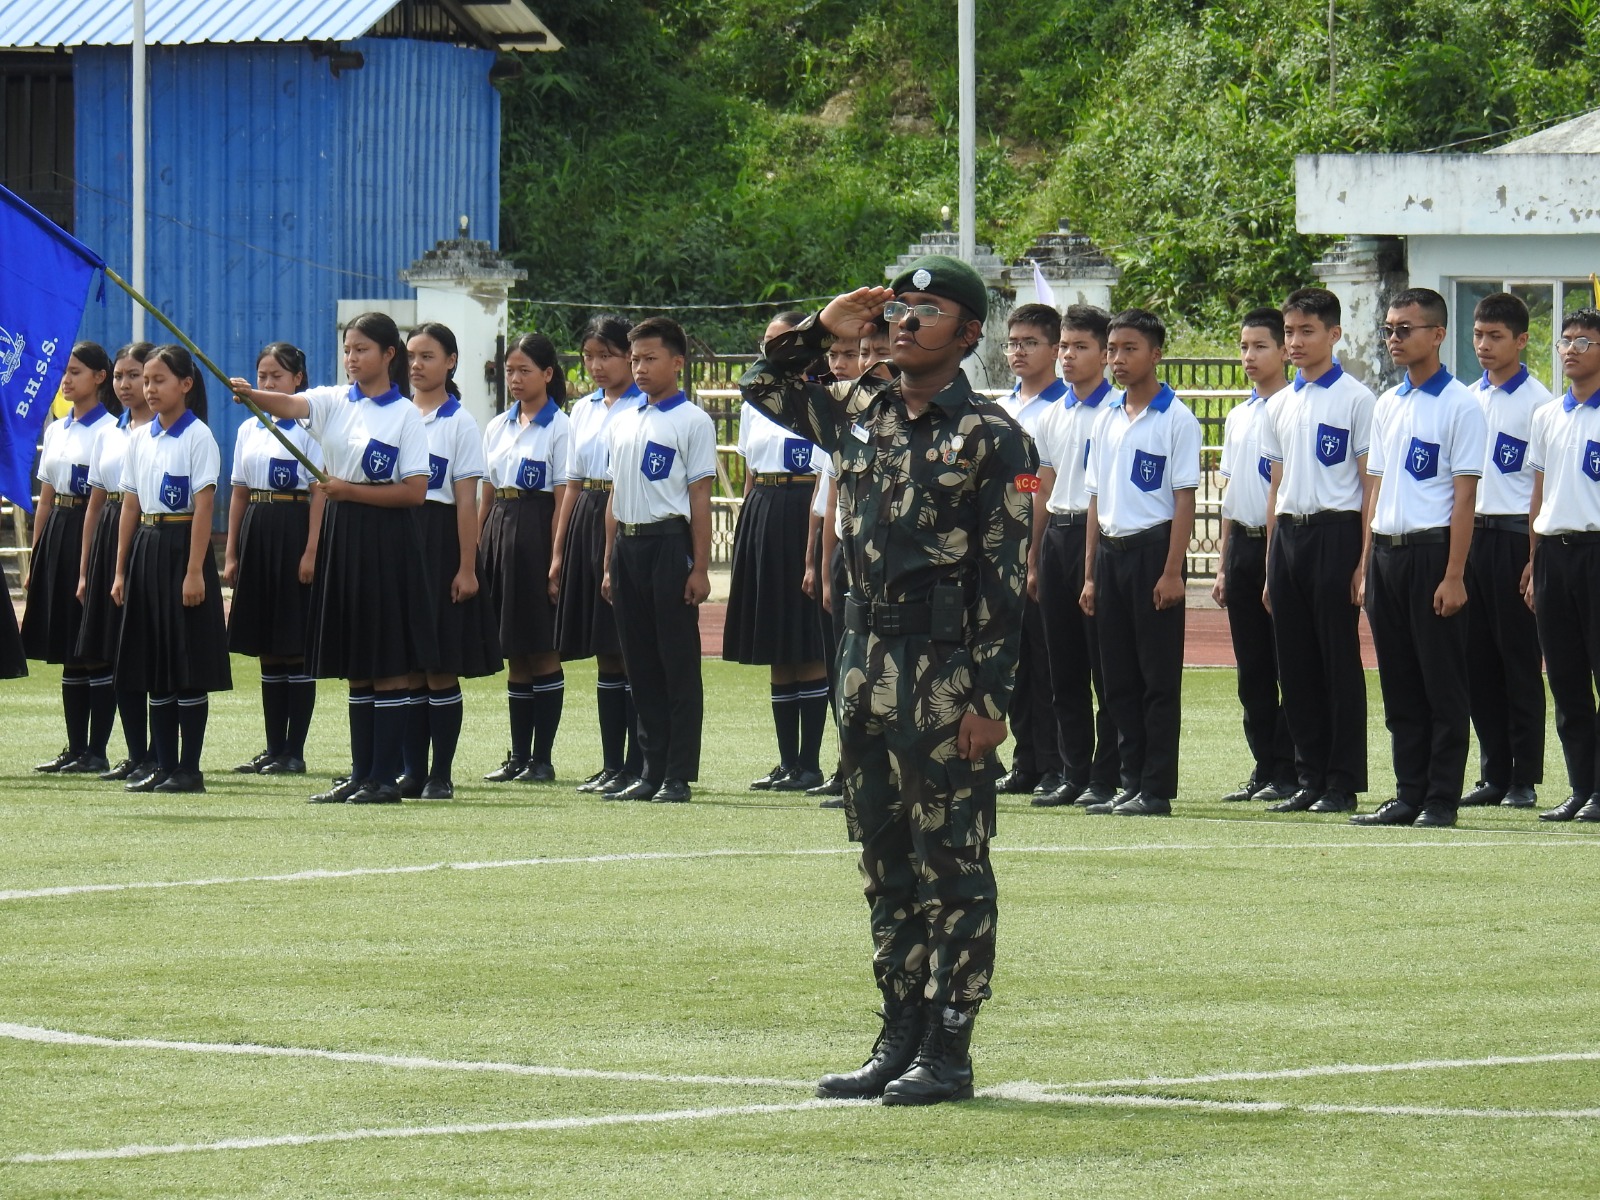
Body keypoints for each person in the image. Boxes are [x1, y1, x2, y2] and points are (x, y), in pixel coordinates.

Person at [742, 254, 1035, 1106]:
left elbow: (1007, 579)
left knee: (953, 863)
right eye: (898, 309)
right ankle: (896, 1032)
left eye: (927, 310)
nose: (903, 322)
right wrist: (822, 328)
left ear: (969, 334)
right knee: (883, 859)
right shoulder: (859, 410)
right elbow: (766, 388)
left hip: (944, 676)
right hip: (864, 666)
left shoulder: (995, 437)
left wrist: (990, 700)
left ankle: (949, 1047)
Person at [229, 311, 436, 805]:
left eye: (362, 349)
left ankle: (385, 778)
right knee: (356, 661)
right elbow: (290, 402)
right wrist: (251, 393)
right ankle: (361, 772)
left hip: (385, 539)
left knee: (385, 658)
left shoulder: (405, 414)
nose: (351, 358)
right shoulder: (332, 400)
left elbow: (414, 492)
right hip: (345, 535)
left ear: (389, 355)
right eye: (347, 350)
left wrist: (348, 490)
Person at [1350, 288, 1485, 829]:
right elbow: (1375, 491)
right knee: (1399, 681)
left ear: (1437, 334)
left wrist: (1454, 574)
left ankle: (1440, 798)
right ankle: (1408, 792)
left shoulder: (1461, 406)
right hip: (1387, 555)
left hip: (1433, 555)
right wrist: (1365, 564)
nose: (1394, 339)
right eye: (1389, 329)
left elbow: (1465, 497)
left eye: (1406, 329)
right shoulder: (1388, 403)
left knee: (1441, 682)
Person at [1079, 309, 1201, 817]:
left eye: (1130, 349)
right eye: (1112, 349)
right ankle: (1127, 781)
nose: (1118, 359)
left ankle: (1155, 787)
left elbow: (1184, 500)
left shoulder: (1177, 419)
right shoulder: (1105, 417)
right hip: (1110, 553)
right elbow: (1094, 499)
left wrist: (1173, 571)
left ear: (1155, 354)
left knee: (1156, 678)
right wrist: (1088, 573)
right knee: (1117, 678)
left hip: (1153, 553)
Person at [1259, 287, 1376, 815]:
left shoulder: (1356, 399)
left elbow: (1367, 483)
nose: (1297, 342)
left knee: (1336, 660)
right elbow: (1275, 485)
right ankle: (1308, 776)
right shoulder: (1278, 404)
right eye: (1289, 333)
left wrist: (1363, 560)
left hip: (1336, 533)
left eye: (1307, 331)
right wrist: (1269, 566)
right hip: (1289, 536)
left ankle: (1342, 778)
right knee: (1296, 663)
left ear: (1333, 334)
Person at [600, 316, 716, 803]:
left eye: (650, 359)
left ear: (677, 362)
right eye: (635, 359)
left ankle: (677, 772)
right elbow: (614, 495)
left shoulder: (693, 420)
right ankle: (648, 768)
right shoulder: (624, 419)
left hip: (669, 545)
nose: (640, 368)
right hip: (629, 546)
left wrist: (700, 566)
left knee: (677, 662)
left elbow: (700, 497)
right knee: (639, 662)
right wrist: (608, 561)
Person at [111, 345, 232, 793]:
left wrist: (196, 570)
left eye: (158, 380)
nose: (149, 388)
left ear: (185, 384)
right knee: (154, 663)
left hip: (182, 547)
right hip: (148, 545)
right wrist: (121, 569)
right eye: (146, 380)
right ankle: (160, 765)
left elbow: (204, 508)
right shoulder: (139, 438)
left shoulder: (198, 437)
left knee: (186, 664)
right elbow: (130, 505)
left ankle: (189, 769)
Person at [727, 313, 831, 794]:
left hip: (805, 508)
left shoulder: (824, 397)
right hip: (765, 508)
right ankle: (787, 761)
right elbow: (750, 470)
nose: (773, 349)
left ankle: (811, 762)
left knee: (805, 637)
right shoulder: (755, 403)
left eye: (782, 341)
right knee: (776, 641)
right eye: (767, 342)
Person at [400, 323, 501, 800]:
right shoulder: (396, 415)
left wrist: (466, 566)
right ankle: (410, 770)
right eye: (411, 356)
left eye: (428, 356)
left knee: (439, 665)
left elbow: (467, 501)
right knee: (405, 665)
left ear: (451, 362)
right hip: (398, 535)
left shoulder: (460, 422)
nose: (417, 364)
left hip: (439, 542)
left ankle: (440, 773)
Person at [1029, 305, 1123, 809]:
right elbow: (1042, 487)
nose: (1067, 356)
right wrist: (1031, 556)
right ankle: (1072, 769)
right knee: (1060, 666)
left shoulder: (1114, 413)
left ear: (1105, 354)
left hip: (1097, 538)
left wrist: (1091, 565)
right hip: (1056, 539)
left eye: (1080, 346)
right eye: (1063, 346)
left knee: (1102, 666)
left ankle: (1107, 775)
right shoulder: (1051, 413)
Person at [1460, 293, 1552, 810]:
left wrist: (1534, 558)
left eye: (1496, 337)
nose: (1484, 346)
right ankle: (1492, 771)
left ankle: (1524, 776)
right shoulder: (1467, 399)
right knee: (1476, 659)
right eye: (1478, 335)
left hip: (1516, 536)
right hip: (1470, 536)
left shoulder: (1539, 404)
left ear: (1521, 340)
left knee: (1518, 658)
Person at [223, 343, 324, 777]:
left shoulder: (309, 429)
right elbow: (240, 492)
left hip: (294, 526)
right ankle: (272, 747)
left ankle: (294, 750)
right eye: (262, 376)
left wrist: (312, 549)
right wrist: (231, 551)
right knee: (267, 648)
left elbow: (320, 491)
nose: (267, 384)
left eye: (276, 377)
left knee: (294, 645)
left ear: (297, 379)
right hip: (259, 531)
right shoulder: (250, 430)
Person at [555, 315, 645, 796]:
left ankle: (638, 761)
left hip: (625, 510)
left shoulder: (642, 407)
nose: (596, 365)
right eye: (589, 356)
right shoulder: (582, 410)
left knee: (628, 649)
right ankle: (612, 763)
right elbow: (571, 482)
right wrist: (558, 548)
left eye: (606, 355)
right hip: (587, 515)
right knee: (604, 655)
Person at [23, 341, 121, 773]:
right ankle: (75, 748)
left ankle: (97, 751)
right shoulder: (58, 428)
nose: (66, 378)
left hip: (92, 530)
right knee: (67, 645)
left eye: (76, 371)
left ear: (100, 377)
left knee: (92, 646)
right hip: (59, 532)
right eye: (65, 370)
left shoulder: (112, 430)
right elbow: (45, 498)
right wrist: (37, 555)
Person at [1211, 309, 1297, 804]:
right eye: (1244, 347)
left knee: (1287, 663)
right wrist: (1224, 563)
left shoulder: (1290, 408)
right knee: (1252, 669)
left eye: (1260, 346)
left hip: (1277, 543)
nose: (1249, 356)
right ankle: (1264, 766)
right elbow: (1230, 494)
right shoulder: (1239, 415)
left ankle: (1291, 768)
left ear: (1283, 351)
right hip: (1242, 543)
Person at [480, 333, 572, 784]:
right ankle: (518, 755)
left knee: (542, 647)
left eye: (525, 371)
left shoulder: (561, 427)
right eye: (510, 371)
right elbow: (486, 491)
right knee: (514, 648)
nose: (515, 379)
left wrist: (556, 559)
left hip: (538, 529)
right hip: (501, 526)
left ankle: (543, 757)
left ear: (548, 374)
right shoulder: (497, 426)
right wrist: (479, 545)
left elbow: (562, 497)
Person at [1525, 309, 1600, 823]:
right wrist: (1533, 562)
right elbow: (1539, 494)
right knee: (1567, 681)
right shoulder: (1548, 416)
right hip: (1555, 553)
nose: (1571, 350)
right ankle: (1581, 786)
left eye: (1584, 342)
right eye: (1565, 341)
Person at [994, 303, 1065, 801]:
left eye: (1030, 342)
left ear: (1055, 349)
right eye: (1013, 342)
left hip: (1038, 543)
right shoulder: (1001, 407)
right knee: (1009, 662)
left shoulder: (1061, 410)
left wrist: (1033, 554)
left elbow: (1037, 486)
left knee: (1049, 663)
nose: (1019, 351)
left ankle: (1056, 762)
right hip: (996, 549)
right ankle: (1026, 760)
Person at [75, 341, 153, 780]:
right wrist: (87, 568)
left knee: (143, 650)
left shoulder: (163, 431)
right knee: (113, 654)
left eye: (135, 375)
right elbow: (95, 503)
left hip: (146, 533)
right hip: (110, 535)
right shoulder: (110, 431)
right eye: (120, 376)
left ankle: (156, 753)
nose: (126, 384)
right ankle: (135, 753)